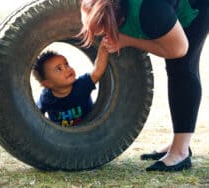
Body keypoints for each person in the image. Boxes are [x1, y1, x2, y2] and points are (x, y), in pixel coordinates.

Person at [79, 0, 209, 171]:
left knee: (182, 67)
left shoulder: (150, 10)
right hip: (162, 8)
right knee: (175, 68)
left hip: (197, 4)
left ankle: (180, 152)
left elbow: (179, 49)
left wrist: (127, 40)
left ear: (120, 19)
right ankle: (178, 142)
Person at [32, 44, 109, 127]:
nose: (67, 69)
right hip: (61, 135)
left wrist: (103, 48)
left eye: (66, 64)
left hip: (89, 128)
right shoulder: (46, 97)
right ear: (48, 83)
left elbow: (97, 73)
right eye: (59, 69)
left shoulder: (82, 85)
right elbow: (36, 114)